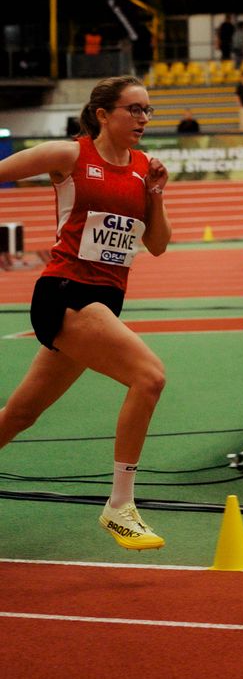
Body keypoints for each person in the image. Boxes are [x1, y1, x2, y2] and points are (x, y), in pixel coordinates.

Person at [0, 76, 171, 549]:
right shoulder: (69, 155)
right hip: (65, 293)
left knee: (20, 414)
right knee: (149, 377)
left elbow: (158, 244)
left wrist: (156, 194)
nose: (143, 119)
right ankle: (120, 505)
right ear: (103, 114)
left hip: (105, 302)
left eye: (147, 110)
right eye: (133, 109)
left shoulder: (145, 168)